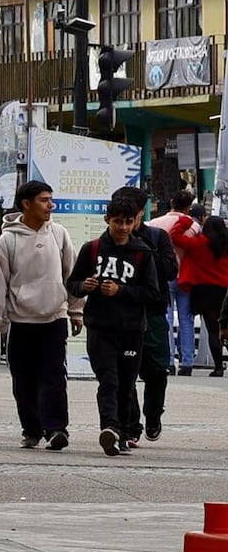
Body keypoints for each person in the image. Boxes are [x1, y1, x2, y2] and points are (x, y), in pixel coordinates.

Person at [0, 180, 84, 451]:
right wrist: (0, 321)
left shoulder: (59, 234)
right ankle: (31, 429)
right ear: (26, 204)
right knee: (24, 379)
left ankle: (56, 429)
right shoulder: (8, 240)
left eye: (50, 200)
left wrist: (76, 311)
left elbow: (71, 274)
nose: (50, 206)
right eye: (43, 200)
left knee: (54, 376)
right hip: (21, 321)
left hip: (54, 318)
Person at [67, 197, 159, 457]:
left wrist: (121, 290)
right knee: (108, 379)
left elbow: (152, 293)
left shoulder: (143, 253)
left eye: (128, 222)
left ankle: (124, 431)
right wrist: (84, 286)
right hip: (100, 327)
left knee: (126, 383)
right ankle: (110, 427)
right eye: (118, 221)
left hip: (131, 330)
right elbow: (72, 283)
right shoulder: (92, 249)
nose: (123, 227)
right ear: (107, 219)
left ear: (135, 222)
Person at [113, 187, 177, 445]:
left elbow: (171, 271)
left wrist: (143, 248)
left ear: (141, 213)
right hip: (122, 314)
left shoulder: (158, 237)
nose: (126, 222)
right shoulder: (111, 240)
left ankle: (153, 414)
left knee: (157, 371)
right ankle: (130, 425)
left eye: (132, 215)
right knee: (124, 373)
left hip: (153, 312)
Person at [168, 210, 228, 377]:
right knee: (225, 328)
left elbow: (175, 236)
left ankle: (218, 367)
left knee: (212, 330)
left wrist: (187, 221)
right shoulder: (226, 246)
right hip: (224, 290)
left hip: (204, 291)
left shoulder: (199, 243)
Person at [148, 190, 200, 375]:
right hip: (186, 277)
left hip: (163, 275)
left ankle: (168, 360)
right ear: (189, 207)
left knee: (166, 317)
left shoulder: (154, 224)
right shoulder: (194, 226)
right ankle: (187, 362)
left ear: (171, 202)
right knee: (186, 318)